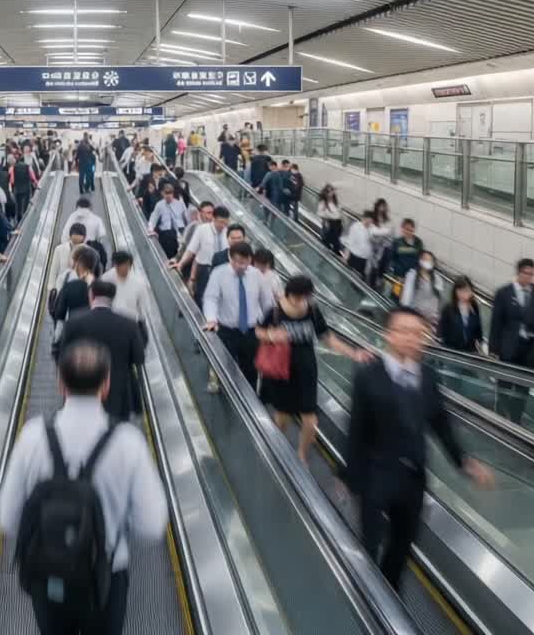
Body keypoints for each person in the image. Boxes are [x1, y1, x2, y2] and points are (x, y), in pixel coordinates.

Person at [0, 342, 167, 635]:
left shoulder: (32, 436)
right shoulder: (129, 442)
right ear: (107, 384)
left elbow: (8, 519)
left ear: (60, 383)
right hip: (106, 579)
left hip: (49, 579)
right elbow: (151, 527)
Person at [344, 306, 493, 587]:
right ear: (389, 335)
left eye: (418, 333)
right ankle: (365, 595)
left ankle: (389, 597)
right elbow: (357, 430)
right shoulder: (368, 375)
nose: (412, 338)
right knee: (370, 544)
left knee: (401, 548)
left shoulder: (428, 376)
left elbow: (440, 423)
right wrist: (351, 480)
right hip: (376, 477)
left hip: (413, 479)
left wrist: (463, 462)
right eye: (404, 331)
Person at [258, 276, 370, 462]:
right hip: (282, 369)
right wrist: (271, 335)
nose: (301, 301)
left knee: (310, 419)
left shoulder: (312, 310)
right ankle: (278, 447)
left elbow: (328, 338)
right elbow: (259, 331)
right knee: (282, 415)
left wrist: (354, 353)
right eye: (297, 297)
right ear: (289, 293)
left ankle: (302, 453)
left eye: (305, 297)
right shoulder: (276, 310)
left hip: (306, 368)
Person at [61, 280, 145, 422]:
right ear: (113, 298)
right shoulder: (129, 325)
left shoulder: (73, 323)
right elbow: (139, 358)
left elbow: (63, 357)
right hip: (119, 395)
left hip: (81, 392)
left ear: (91, 295)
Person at [488, 258, 534, 423]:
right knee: (505, 385)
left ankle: (516, 421)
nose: (530, 278)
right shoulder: (504, 293)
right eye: (527, 274)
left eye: (532, 275)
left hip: (528, 350)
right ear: (519, 273)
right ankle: (500, 419)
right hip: (508, 349)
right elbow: (496, 323)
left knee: (522, 388)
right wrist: (493, 350)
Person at [203, 242, 275, 387]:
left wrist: (270, 326)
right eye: (236, 262)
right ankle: (222, 392)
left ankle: (251, 401)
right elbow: (211, 298)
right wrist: (211, 319)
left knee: (251, 369)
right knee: (223, 365)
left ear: (250, 260)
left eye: (244, 262)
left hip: (251, 332)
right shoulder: (219, 273)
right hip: (227, 331)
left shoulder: (257, 276)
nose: (240, 266)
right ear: (230, 258)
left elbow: (267, 302)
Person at [175, 204, 230, 307]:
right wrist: (180, 264)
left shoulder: (227, 233)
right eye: (220, 222)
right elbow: (191, 250)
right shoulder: (202, 230)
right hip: (205, 271)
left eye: (225, 223)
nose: (223, 225)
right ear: (213, 218)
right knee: (202, 299)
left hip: (222, 272)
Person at [102, 250, 152, 337]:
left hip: (130, 324)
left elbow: (144, 307)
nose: (121, 268)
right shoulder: (106, 278)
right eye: (118, 265)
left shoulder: (139, 283)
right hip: (111, 323)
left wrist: (140, 321)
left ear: (130, 265)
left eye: (124, 265)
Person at [438, 276, 483, 354]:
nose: (463, 294)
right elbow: (442, 333)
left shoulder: (474, 308)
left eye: (466, 291)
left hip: (470, 353)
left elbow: (478, 332)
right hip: (452, 352)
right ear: (455, 292)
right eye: (460, 291)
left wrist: (480, 345)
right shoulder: (448, 309)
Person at [146, 181, 188, 258]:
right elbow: (153, 217)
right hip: (166, 234)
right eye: (166, 193)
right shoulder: (159, 205)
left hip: (179, 232)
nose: (168, 195)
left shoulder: (179, 204)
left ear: (173, 193)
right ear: (163, 193)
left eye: (170, 193)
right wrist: (151, 229)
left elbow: (186, 218)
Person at [63, 198, 107, 267]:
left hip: (74, 251)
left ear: (77, 206)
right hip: (90, 251)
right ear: (90, 207)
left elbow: (65, 235)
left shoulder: (72, 217)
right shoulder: (97, 218)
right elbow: (101, 234)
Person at [390, 219, 424, 285]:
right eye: (406, 229)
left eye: (411, 230)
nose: (408, 232)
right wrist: (399, 274)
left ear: (414, 230)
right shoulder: (397, 242)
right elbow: (392, 259)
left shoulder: (418, 242)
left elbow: (420, 259)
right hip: (399, 276)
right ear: (402, 229)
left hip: (413, 277)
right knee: (396, 293)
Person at [343, 210, 375, 281]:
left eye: (370, 222)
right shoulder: (355, 227)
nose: (369, 224)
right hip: (354, 257)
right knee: (349, 278)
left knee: (360, 280)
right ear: (364, 219)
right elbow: (349, 243)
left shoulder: (373, 229)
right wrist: (346, 257)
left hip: (364, 260)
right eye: (367, 222)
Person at [318, 185, 344, 255]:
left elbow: (339, 212)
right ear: (325, 193)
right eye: (329, 191)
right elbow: (320, 213)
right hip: (330, 223)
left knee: (336, 240)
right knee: (329, 240)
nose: (331, 193)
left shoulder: (335, 201)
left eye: (332, 191)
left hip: (338, 223)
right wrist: (328, 216)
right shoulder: (323, 202)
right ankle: (330, 253)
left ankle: (335, 252)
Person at [10, 153, 38, 220]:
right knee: (25, 206)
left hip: (17, 189)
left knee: (18, 206)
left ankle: (19, 220)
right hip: (26, 189)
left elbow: (12, 181)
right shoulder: (27, 166)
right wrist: (36, 183)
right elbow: (32, 177)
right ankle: (25, 219)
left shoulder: (13, 167)